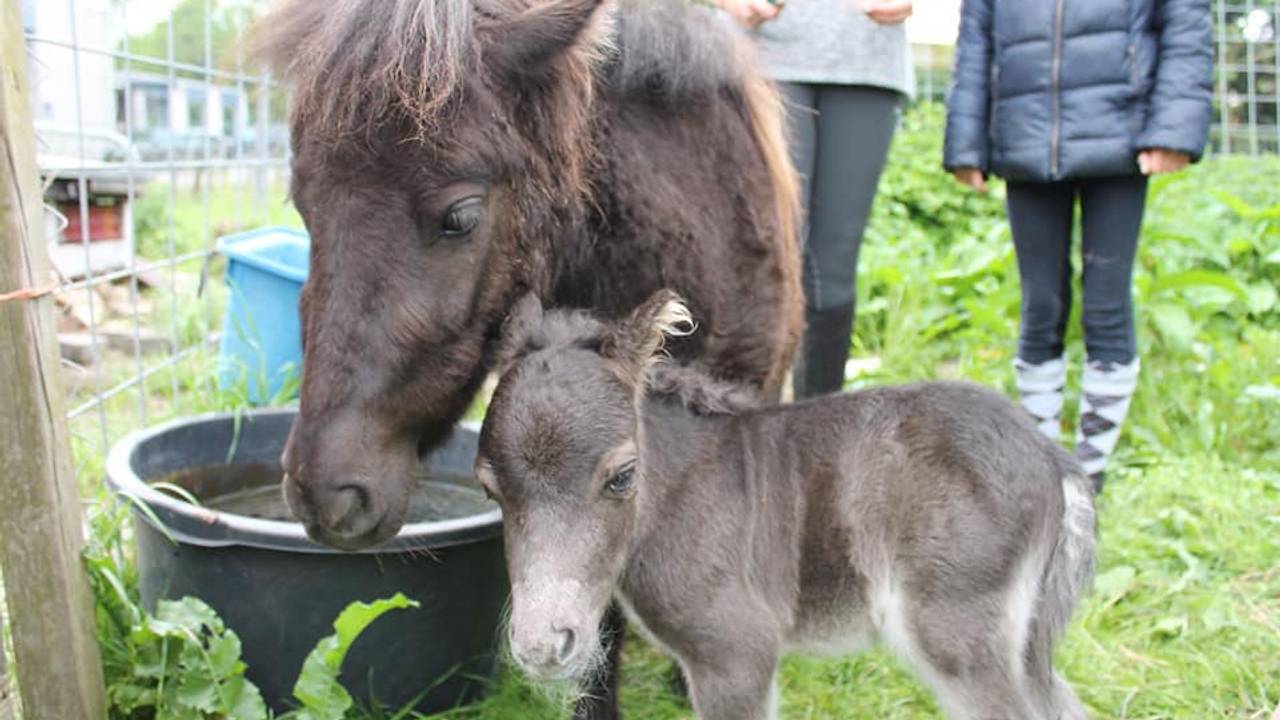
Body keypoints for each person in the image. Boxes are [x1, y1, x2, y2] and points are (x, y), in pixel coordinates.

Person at [944, 0, 1213, 487]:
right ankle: (1043, 470)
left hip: (1120, 133)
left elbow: (1185, 23)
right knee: (1040, 304)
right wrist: (966, 141)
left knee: (1106, 305)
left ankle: (1089, 474)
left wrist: (1174, 128)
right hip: (1024, 133)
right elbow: (976, 36)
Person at [716, 0, 916, 398]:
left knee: (833, 268)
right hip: (761, 59)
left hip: (867, 58)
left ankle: (821, 432)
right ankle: (749, 428)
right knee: (762, 256)